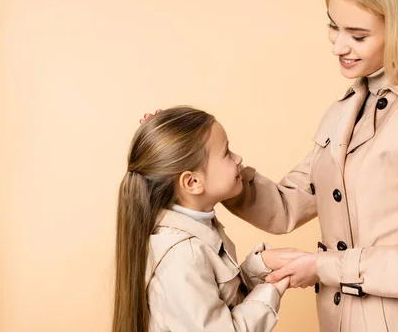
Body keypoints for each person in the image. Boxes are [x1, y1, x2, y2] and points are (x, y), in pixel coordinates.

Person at [142, 0, 398, 332]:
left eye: (357, 34)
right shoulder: (345, 108)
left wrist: (323, 267)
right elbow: (286, 206)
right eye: (333, 26)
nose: (338, 46)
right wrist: (186, 159)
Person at [113, 106, 298, 332]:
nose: (238, 159)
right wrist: (272, 289)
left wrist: (260, 266)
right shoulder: (183, 256)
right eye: (227, 153)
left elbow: (219, 302)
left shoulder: (197, 231)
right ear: (192, 183)